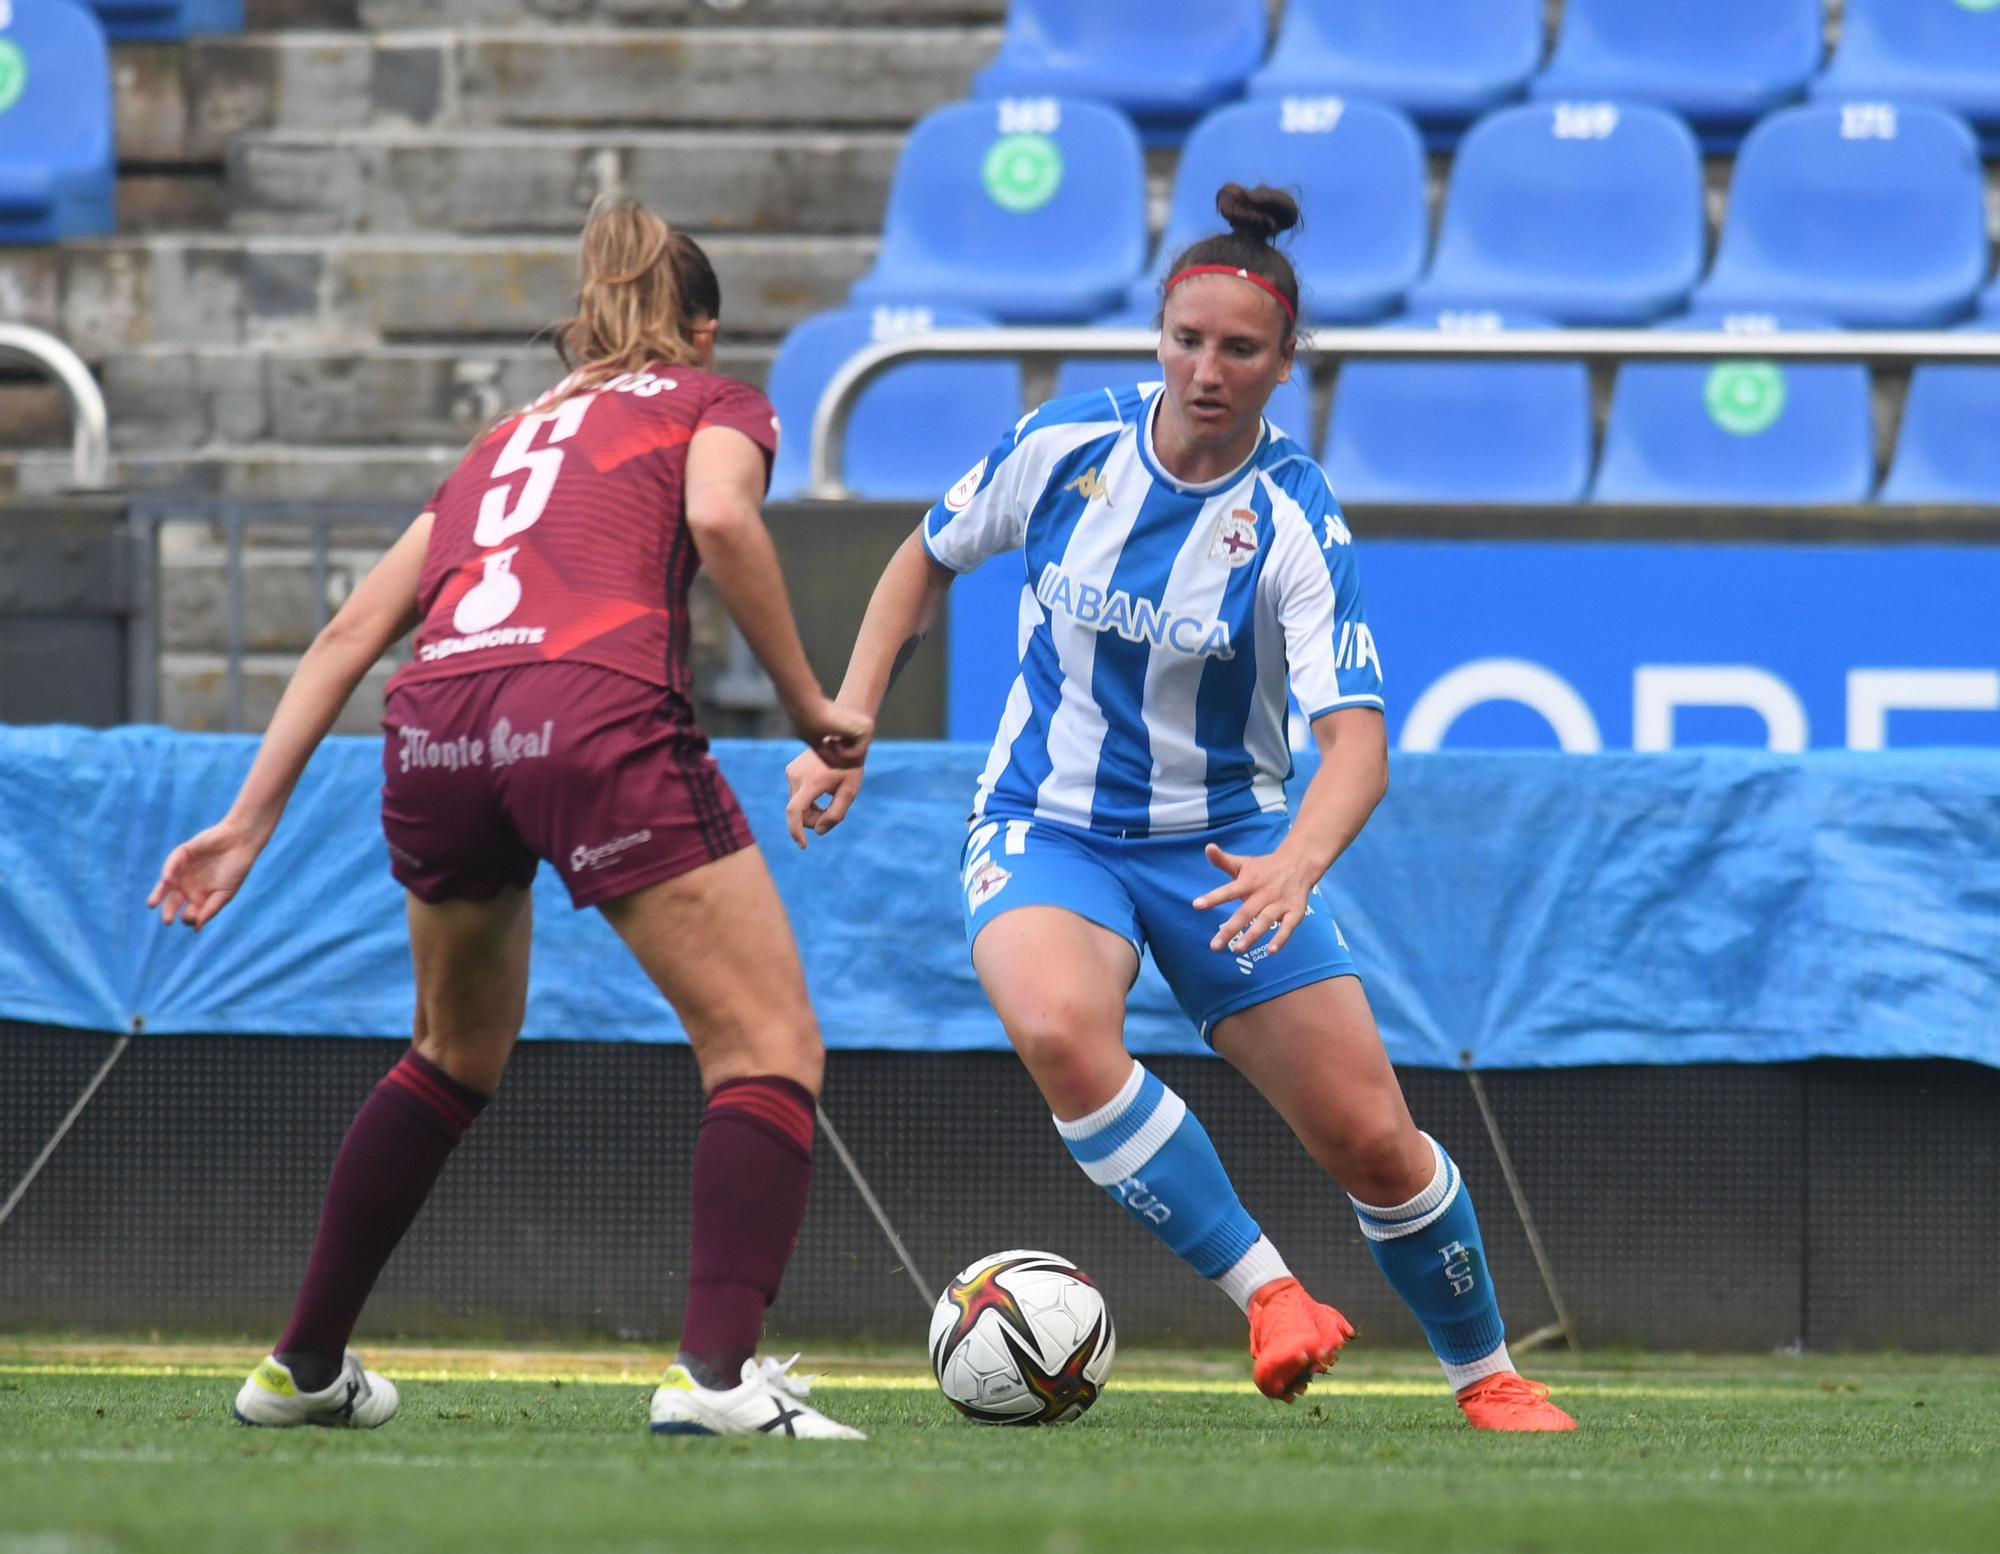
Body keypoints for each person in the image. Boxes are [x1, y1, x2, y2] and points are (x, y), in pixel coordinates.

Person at [785, 183, 1575, 1431]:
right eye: (1185, 340)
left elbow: (1356, 748)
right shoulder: (1064, 445)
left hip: (1226, 845)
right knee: (1057, 1028)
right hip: (1046, 825)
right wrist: (849, 718)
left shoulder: (1295, 520)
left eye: (1239, 349)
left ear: (1284, 362)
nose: (1207, 370)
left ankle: (1487, 1373)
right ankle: (1269, 1295)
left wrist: (1294, 863)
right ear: (1156, 336)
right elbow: (924, 555)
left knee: (1373, 1140)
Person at [149, 198, 871, 1441]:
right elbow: (718, 517)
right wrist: (814, 704)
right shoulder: (715, 403)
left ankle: (303, 1362)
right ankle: (713, 1380)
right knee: (764, 1044)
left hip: (433, 727)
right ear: (700, 330)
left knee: (448, 1051)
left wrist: (246, 820)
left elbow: (346, 635)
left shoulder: (497, 445)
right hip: (588, 707)